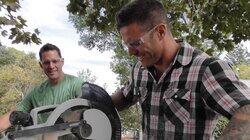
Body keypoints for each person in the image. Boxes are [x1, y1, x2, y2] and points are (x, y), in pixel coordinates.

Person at [111, 0, 250, 139]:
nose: (130, 52)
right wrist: (93, 99)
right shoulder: (139, 69)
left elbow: (246, 109)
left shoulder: (205, 69)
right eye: (127, 45)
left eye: (136, 43)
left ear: (160, 31)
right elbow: (124, 97)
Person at [0, 43, 83, 132]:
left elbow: (88, 112)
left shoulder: (77, 84)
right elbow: (13, 115)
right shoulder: (35, 93)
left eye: (54, 61)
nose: (51, 66)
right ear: (41, 65)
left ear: (62, 62)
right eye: (46, 62)